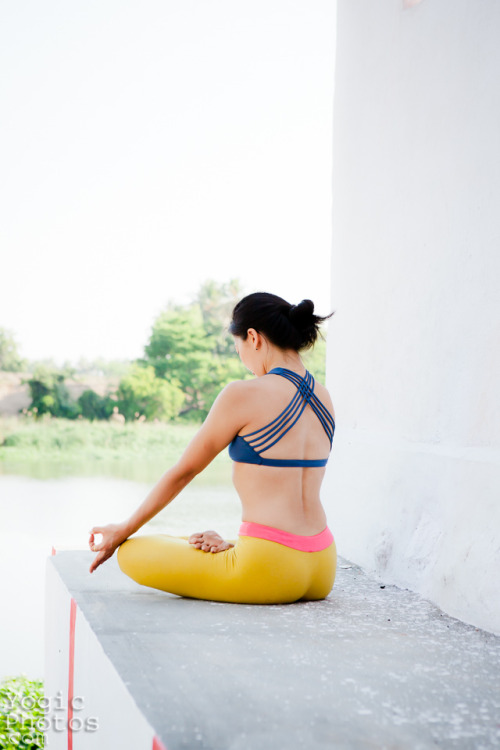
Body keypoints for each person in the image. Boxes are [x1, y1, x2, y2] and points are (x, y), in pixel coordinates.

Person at [88, 292, 337, 604]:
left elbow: (185, 471)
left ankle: (236, 548)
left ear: (253, 338)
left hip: (269, 569)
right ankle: (234, 545)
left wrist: (122, 530)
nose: (244, 362)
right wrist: (234, 545)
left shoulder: (242, 395)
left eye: (239, 350)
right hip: (323, 564)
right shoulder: (324, 397)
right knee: (191, 542)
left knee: (132, 550)